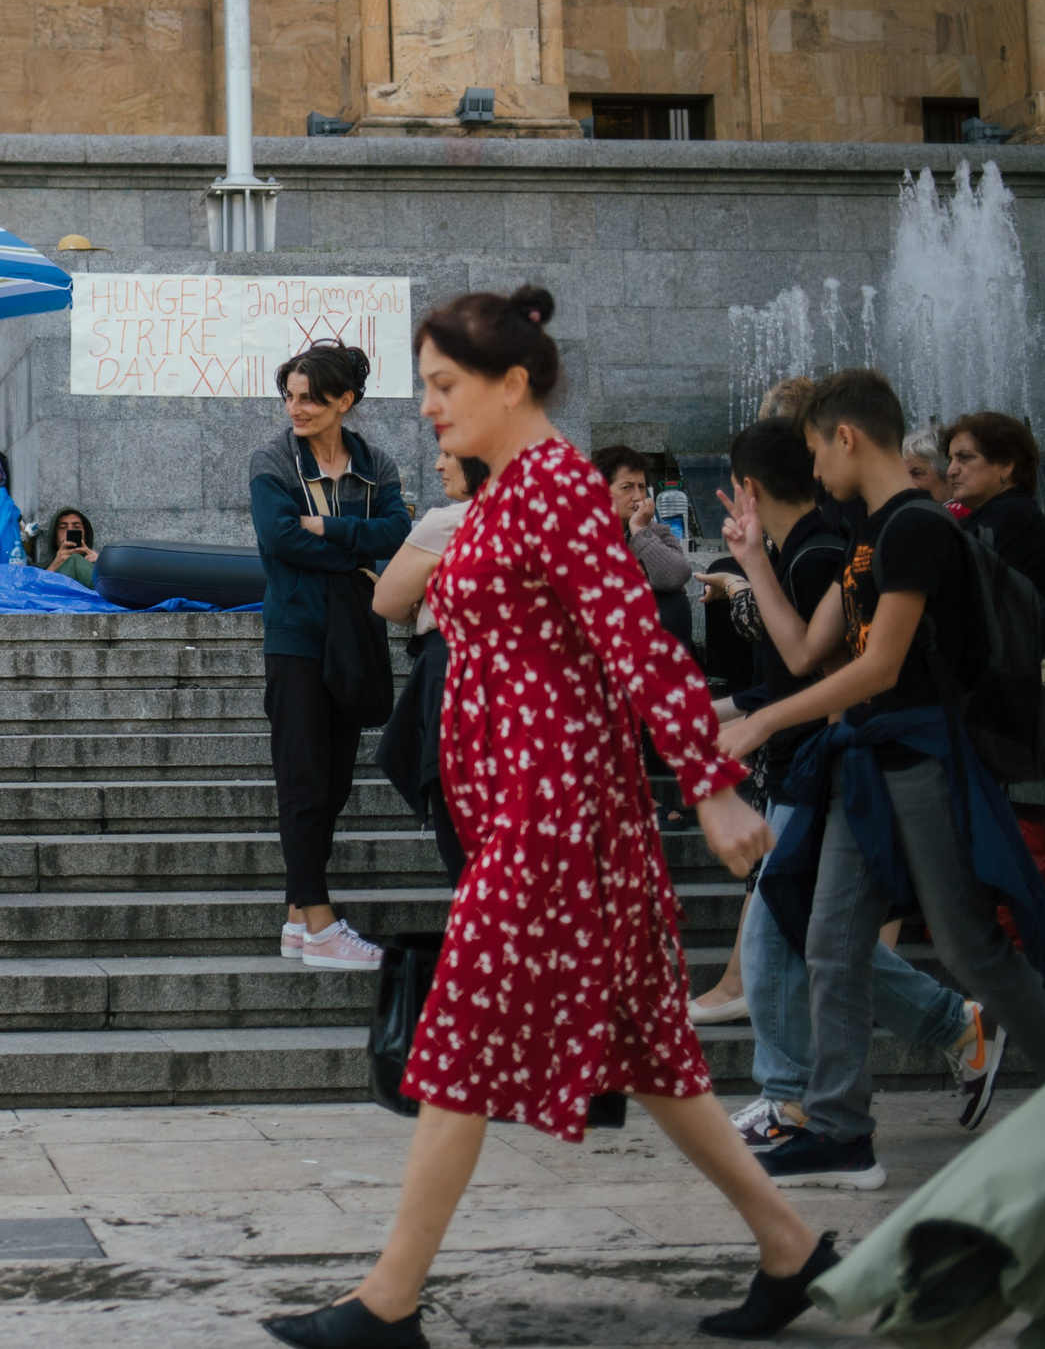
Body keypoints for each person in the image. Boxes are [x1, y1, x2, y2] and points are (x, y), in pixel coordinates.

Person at [263, 288, 832, 1349]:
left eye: (444, 385)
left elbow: (638, 641)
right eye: (425, 386)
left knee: (457, 1034)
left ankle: (388, 1298)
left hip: (553, 815)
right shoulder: (516, 488)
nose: (428, 407)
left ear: (510, 383)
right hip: (526, 807)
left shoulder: (558, 488)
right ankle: (790, 1245)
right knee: (655, 1057)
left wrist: (708, 784)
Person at [719, 370, 1045, 1190]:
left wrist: (766, 721)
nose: (813, 469)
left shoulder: (915, 530)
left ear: (845, 437)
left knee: (971, 949)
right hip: (866, 761)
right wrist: (753, 559)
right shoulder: (870, 539)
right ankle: (842, 1131)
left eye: (817, 449)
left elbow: (881, 665)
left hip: (918, 760)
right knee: (828, 941)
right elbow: (802, 652)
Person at [698, 419, 1000, 1155]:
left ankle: (797, 1097)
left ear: (749, 485)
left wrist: (763, 722)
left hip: (832, 763)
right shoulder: (806, 552)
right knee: (812, 935)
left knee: (791, 931)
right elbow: (794, 663)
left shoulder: (830, 552)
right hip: (816, 761)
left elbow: (833, 675)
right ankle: (933, 1034)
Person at [251, 341, 411, 971]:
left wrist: (329, 528)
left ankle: (300, 919)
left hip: (355, 633)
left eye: (311, 397)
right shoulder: (273, 460)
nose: (297, 408)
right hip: (295, 635)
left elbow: (397, 532)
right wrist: (353, 544)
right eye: (290, 396)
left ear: (344, 400)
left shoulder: (377, 464)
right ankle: (318, 919)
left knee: (337, 780)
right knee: (303, 778)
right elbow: (279, 538)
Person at [371, 450, 488, 885]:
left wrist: (431, 593)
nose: (439, 465)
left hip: (457, 676)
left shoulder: (450, 521)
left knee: (463, 832)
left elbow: (387, 600)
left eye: (448, 453)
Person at [943, 410, 1045, 603]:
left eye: (965, 458)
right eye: (950, 460)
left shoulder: (1014, 516)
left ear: (1006, 465)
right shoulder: (1001, 513)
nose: (951, 471)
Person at [593, 444, 695, 648]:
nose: (638, 496)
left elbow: (677, 575)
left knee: (673, 602)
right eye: (627, 487)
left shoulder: (656, 533)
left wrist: (640, 530)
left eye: (641, 487)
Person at [32, 506, 99, 589]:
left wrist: (101, 565)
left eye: (77, 527)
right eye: (62, 528)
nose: (69, 530)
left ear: (85, 536)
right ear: (54, 537)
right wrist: (54, 565)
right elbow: (32, 593)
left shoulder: (99, 562)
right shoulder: (39, 568)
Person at [901, 427, 963, 513]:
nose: (908, 483)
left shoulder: (958, 517)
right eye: (905, 475)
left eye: (916, 474)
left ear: (947, 471)